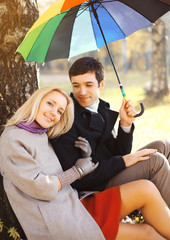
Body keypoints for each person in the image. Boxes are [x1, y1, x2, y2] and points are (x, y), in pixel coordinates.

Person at [0, 86, 170, 240]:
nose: (54, 113)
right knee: (147, 229)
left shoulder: (41, 133)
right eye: (50, 104)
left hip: (77, 205)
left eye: (60, 111)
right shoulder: (12, 138)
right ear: (36, 101)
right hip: (59, 222)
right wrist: (77, 171)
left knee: (146, 205)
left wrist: (87, 156)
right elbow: (39, 186)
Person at [50, 57, 170, 208]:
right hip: (96, 185)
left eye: (89, 84)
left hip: (112, 172)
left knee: (164, 145)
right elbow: (81, 179)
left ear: (101, 84)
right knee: (155, 161)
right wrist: (124, 161)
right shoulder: (66, 118)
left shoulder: (101, 108)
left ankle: (161, 209)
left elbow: (119, 152)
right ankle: (166, 219)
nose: (82, 92)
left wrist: (125, 124)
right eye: (76, 85)